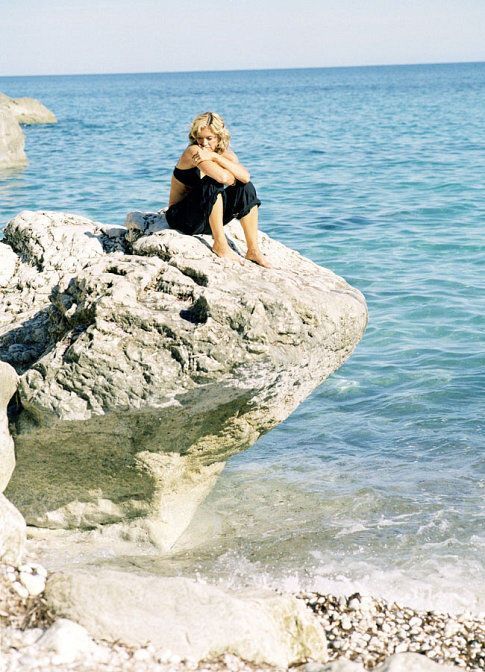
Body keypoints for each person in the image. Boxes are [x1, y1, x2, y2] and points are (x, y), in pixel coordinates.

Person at [165, 112, 270, 267]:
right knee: (212, 182)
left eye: (209, 138)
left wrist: (215, 157)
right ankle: (220, 245)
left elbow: (245, 177)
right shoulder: (193, 151)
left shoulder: (225, 154)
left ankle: (253, 250)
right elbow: (221, 177)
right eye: (199, 138)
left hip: (205, 219)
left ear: (219, 137)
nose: (203, 143)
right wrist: (230, 174)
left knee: (245, 188)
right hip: (182, 219)